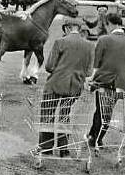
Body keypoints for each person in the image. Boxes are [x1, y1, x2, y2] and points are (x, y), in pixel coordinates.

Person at [39, 18, 94, 157]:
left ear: (67, 28)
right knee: (65, 116)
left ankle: (46, 148)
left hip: (55, 85)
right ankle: (63, 149)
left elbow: (49, 66)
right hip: (74, 87)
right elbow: (88, 72)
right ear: (79, 29)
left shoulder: (60, 42)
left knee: (48, 115)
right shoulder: (89, 45)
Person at [85, 13, 125, 148]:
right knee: (107, 110)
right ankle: (97, 137)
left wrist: (91, 79)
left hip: (104, 81)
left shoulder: (104, 40)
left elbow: (96, 64)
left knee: (100, 110)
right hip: (122, 84)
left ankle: (94, 138)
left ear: (109, 23)